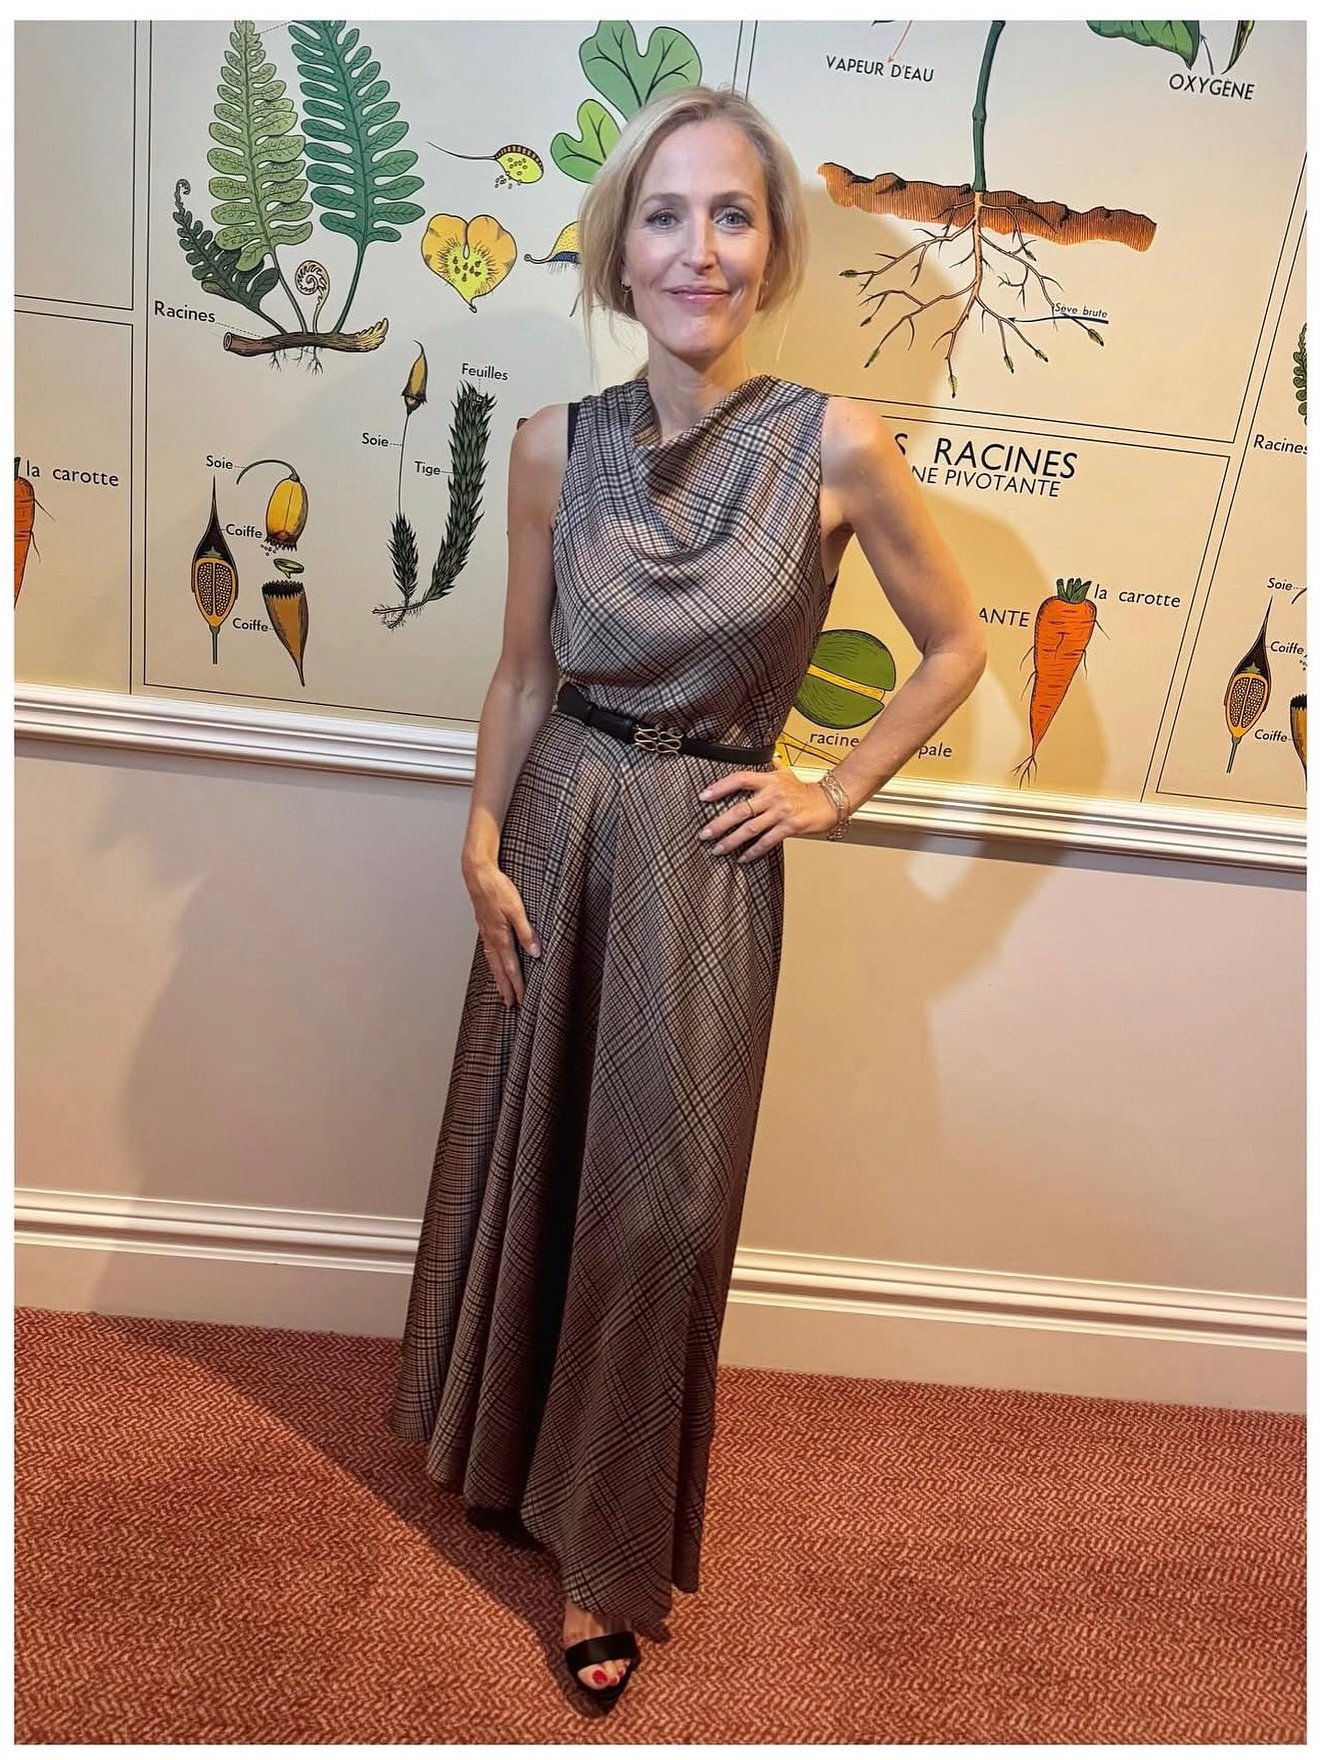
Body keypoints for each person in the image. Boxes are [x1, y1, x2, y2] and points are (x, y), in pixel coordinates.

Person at [388, 84, 986, 1707]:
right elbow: (523, 673)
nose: (697, 249)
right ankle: (505, 1458)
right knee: (533, 1158)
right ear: (620, 247)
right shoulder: (549, 446)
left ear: (771, 250)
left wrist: (833, 790)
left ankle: (605, 1551)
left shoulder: (838, 442)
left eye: (732, 215)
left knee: (659, 1209)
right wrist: (478, 842)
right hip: (559, 827)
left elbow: (957, 647)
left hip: (707, 855)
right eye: (665, 215)